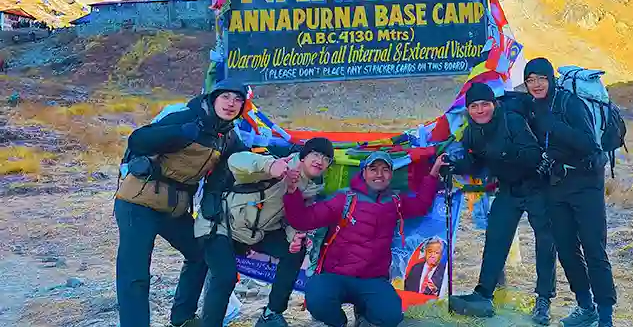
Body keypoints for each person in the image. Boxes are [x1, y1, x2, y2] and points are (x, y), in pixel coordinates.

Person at [114, 79, 250, 327]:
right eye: (226, 97)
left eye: (238, 99)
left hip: (173, 208)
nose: (231, 104)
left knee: (200, 253)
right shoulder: (187, 116)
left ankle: (183, 318)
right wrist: (178, 133)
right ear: (213, 98)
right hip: (138, 202)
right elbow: (138, 140)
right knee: (135, 274)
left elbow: (245, 158)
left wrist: (295, 154)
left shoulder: (227, 136)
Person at [282, 151, 448, 327]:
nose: (379, 174)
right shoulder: (345, 199)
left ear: (391, 174)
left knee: (390, 317)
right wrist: (292, 192)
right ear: (364, 173)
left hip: (373, 279)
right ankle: (339, 323)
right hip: (336, 276)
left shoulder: (395, 202)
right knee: (317, 297)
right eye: (373, 169)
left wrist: (434, 172)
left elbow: (421, 206)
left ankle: (364, 316)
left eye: (385, 170)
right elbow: (304, 220)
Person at [196, 137, 334, 327]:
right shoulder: (280, 162)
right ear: (303, 156)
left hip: (257, 232)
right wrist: (269, 166)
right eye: (316, 154)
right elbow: (235, 161)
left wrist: (294, 237)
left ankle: (271, 313)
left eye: (326, 158)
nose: (320, 160)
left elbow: (292, 218)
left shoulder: (311, 188)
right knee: (225, 277)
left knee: (295, 251)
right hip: (221, 224)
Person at [448, 82, 556, 324]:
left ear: (494, 105)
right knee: (496, 237)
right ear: (468, 110)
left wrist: (502, 153)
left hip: (537, 187)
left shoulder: (513, 122)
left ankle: (543, 301)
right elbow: (475, 164)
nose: (480, 110)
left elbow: (533, 155)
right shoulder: (472, 132)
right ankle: (483, 294)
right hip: (507, 190)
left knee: (545, 242)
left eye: (484, 104)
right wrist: (452, 166)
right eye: (474, 106)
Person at [524, 57, 617, 327]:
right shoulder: (532, 106)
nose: (536, 84)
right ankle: (585, 307)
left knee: (594, 248)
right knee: (566, 248)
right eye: (530, 80)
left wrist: (553, 125)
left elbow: (589, 143)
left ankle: (605, 317)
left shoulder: (569, 103)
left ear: (551, 79)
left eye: (541, 78)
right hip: (557, 185)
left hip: (587, 182)